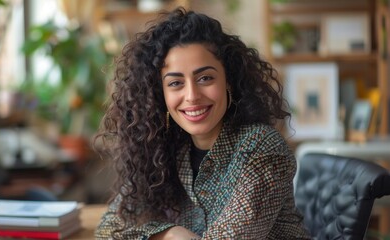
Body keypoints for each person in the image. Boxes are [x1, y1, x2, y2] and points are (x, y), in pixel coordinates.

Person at [94, 7, 311, 240]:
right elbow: (108, 228)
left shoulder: (260, 148)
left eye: (205, 78)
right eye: (176, 83)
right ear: (161, 95)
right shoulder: (166, 150)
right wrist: (169, 233)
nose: (192, 96)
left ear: (229, 81)